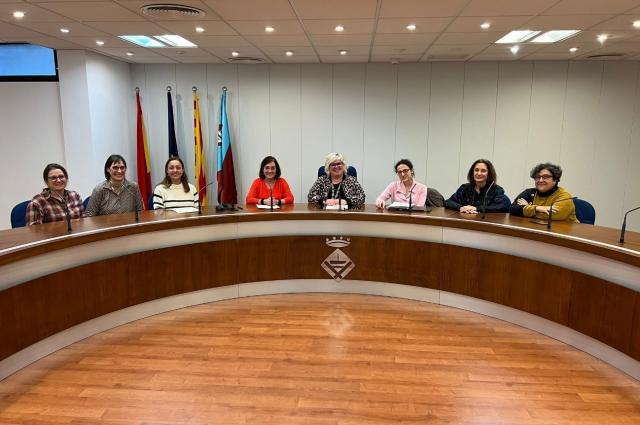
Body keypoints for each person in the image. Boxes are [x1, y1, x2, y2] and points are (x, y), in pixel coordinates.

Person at [510, 162, 578, 222]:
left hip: (566, 231)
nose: (540, 180)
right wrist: (537, 208)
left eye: (545, 177)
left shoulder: (564, 196)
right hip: (537, 228)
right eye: (537, 177)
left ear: (555, 179)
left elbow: (552, 215)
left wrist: (528, 207)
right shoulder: (529, 192)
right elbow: (512, 209)